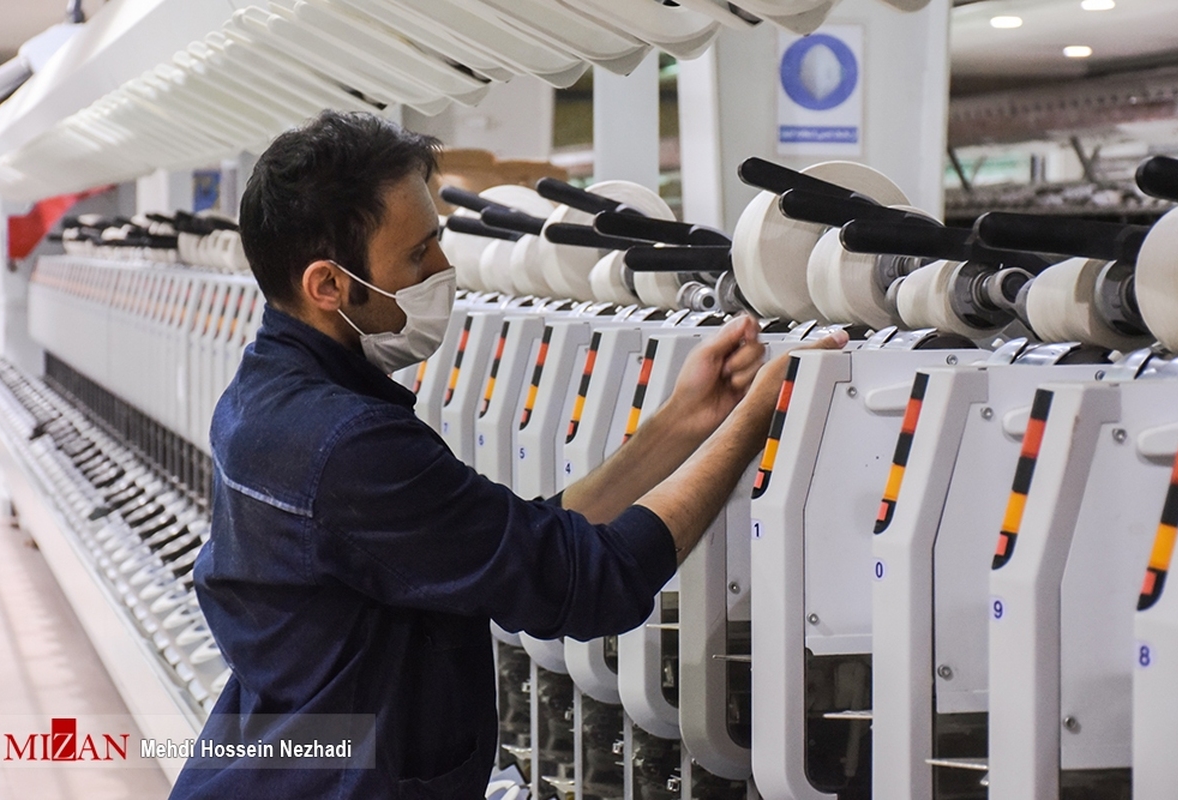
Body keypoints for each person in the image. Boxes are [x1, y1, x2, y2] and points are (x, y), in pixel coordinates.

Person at [167, 110, 846, 800]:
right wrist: (757, 423)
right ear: (327, 286)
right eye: (418, 254)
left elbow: (521, 539)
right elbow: (590, 581)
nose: (443, 268)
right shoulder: (346, 445)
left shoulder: (263, 397)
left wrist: (685, 421)